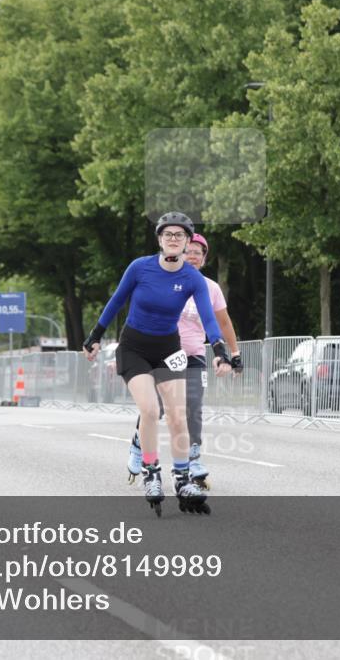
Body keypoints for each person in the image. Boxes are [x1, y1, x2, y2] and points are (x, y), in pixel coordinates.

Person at [83, 212, 232, 516]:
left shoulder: (192, 278)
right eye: (168, 235)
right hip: (134, 347)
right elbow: (116, 300)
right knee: (150, 410)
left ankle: (182, 478)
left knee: (178, 415)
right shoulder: (140, 267)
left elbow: (208, 315)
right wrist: (95, 334)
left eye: (180, 235)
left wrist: (219, 348)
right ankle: (151, 472)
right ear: (160, 240)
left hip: (168, 348)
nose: (174, 239)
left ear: (188, 241)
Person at [125, 233, 243, 488]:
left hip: (194, 355)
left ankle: (193, 458)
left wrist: (232, 353)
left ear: (204, 259)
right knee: (155, 408)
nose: (192, 256)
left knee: (192, 407)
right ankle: (138, 443)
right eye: (188, 251)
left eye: (198, 253)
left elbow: (222, 322)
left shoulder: (209, 287)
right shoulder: (162, 280)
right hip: (164, 354)